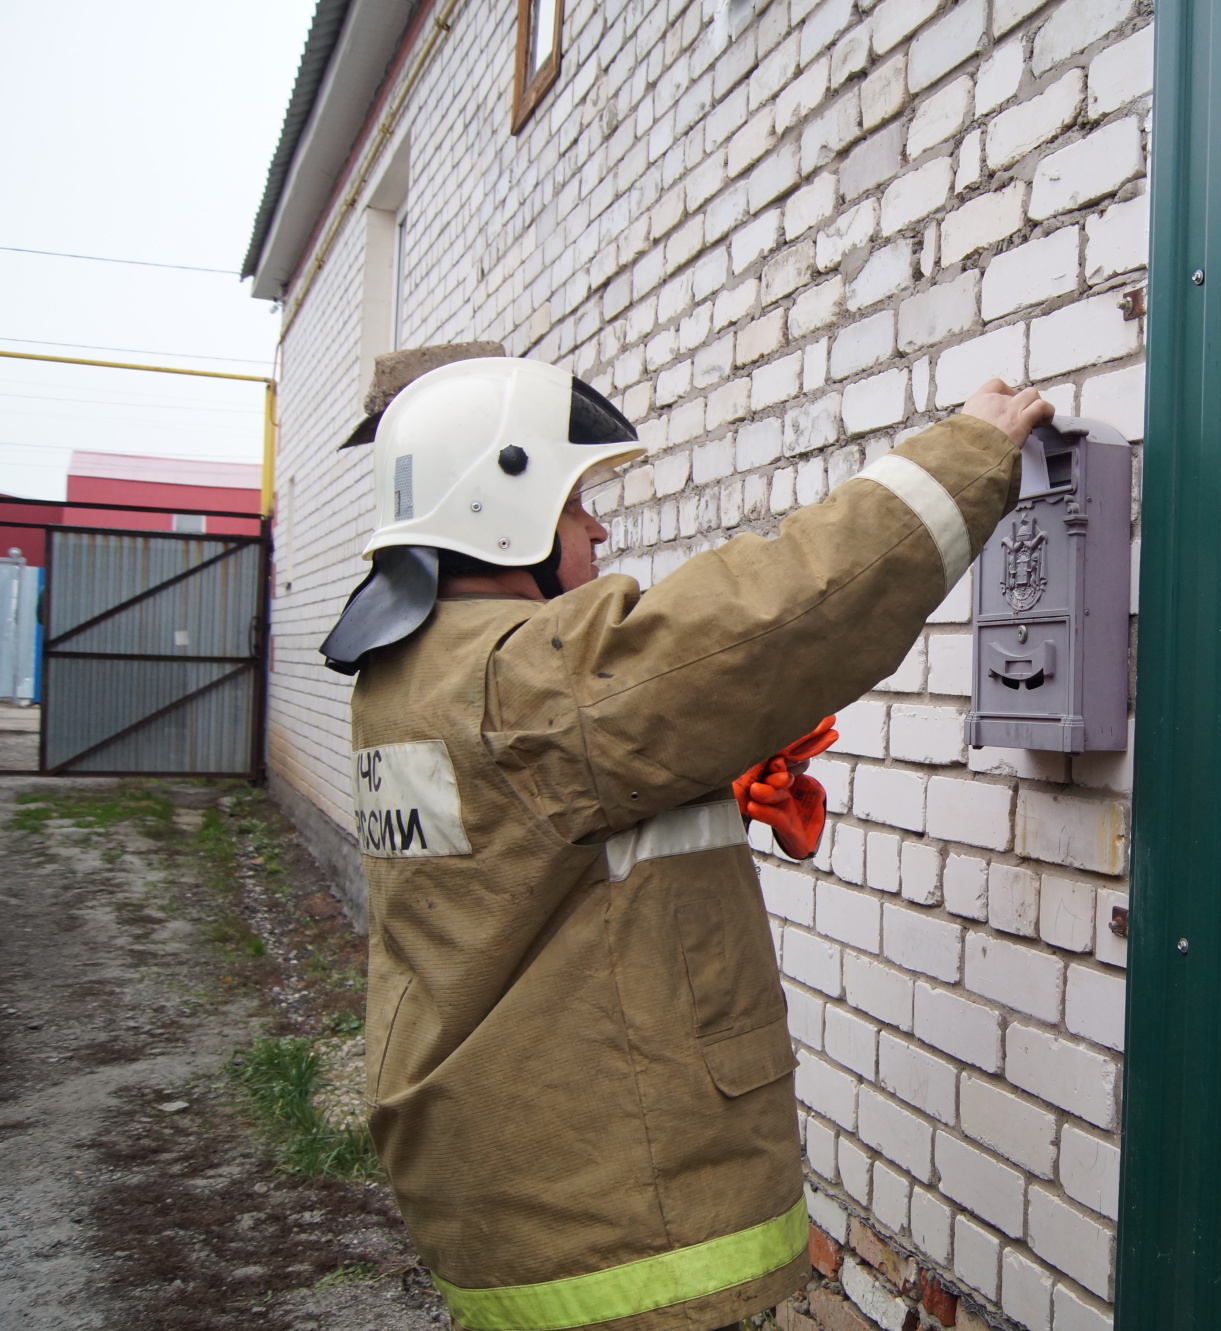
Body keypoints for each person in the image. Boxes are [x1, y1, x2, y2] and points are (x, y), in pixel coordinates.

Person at [317, 353, 1051, 1331]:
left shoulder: (405, 676)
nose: (597, 528)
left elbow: (530, 852)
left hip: (501, 1176)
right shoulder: (531, 684)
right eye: (578, 502)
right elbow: (780, 614)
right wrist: (966, 455)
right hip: (615, 1215)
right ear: (502, 506)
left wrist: (678, 794)